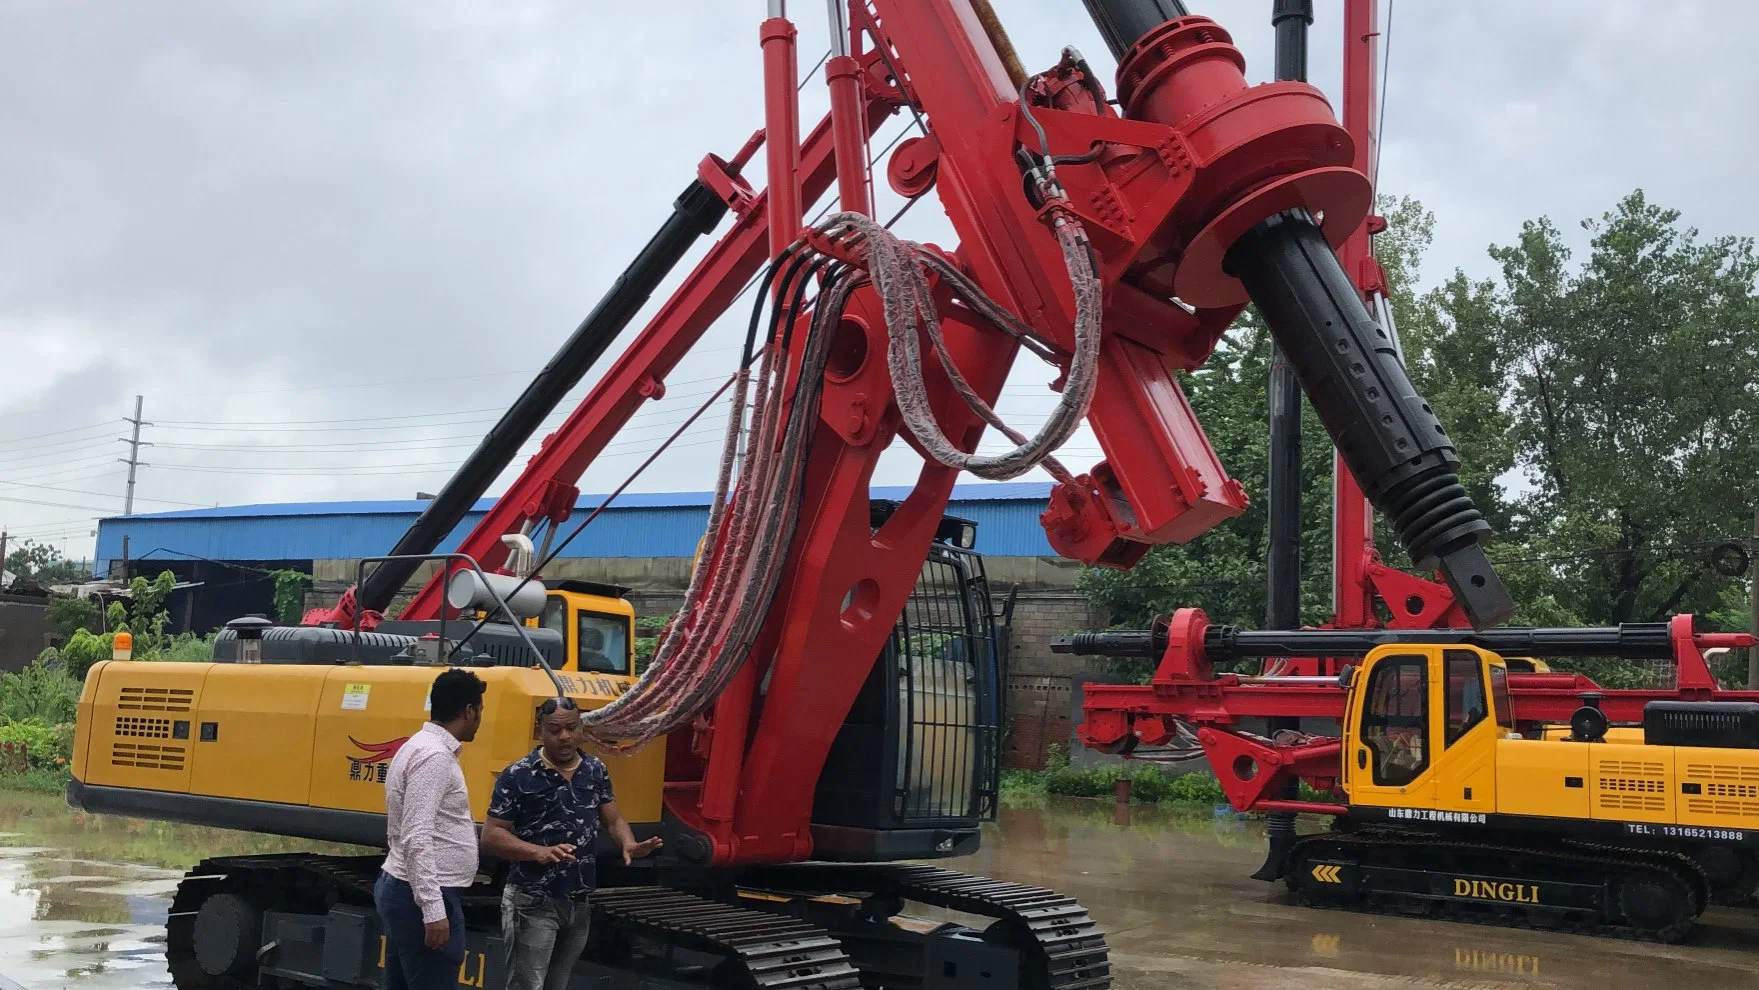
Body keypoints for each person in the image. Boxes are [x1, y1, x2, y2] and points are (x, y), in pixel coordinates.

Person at [483, 696, 662, 990]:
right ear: (540, 730)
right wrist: (539, 852)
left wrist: (628, 844)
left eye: (572, 727)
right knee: (528, 985)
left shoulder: (594, 770)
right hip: (533, 900)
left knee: (558, 984)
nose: (565, 736)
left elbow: (613, 819)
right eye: (555, 730)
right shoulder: (518, 775)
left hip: (578, 901)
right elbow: (491, 836)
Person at [374, 668, 487, 990]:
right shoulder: (434, 756)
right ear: (469, 711)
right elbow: (415, 834)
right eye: (479, 711)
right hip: (422, 894)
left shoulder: (419, 746)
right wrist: (433, 908)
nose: (479, 719)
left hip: (407, 889)